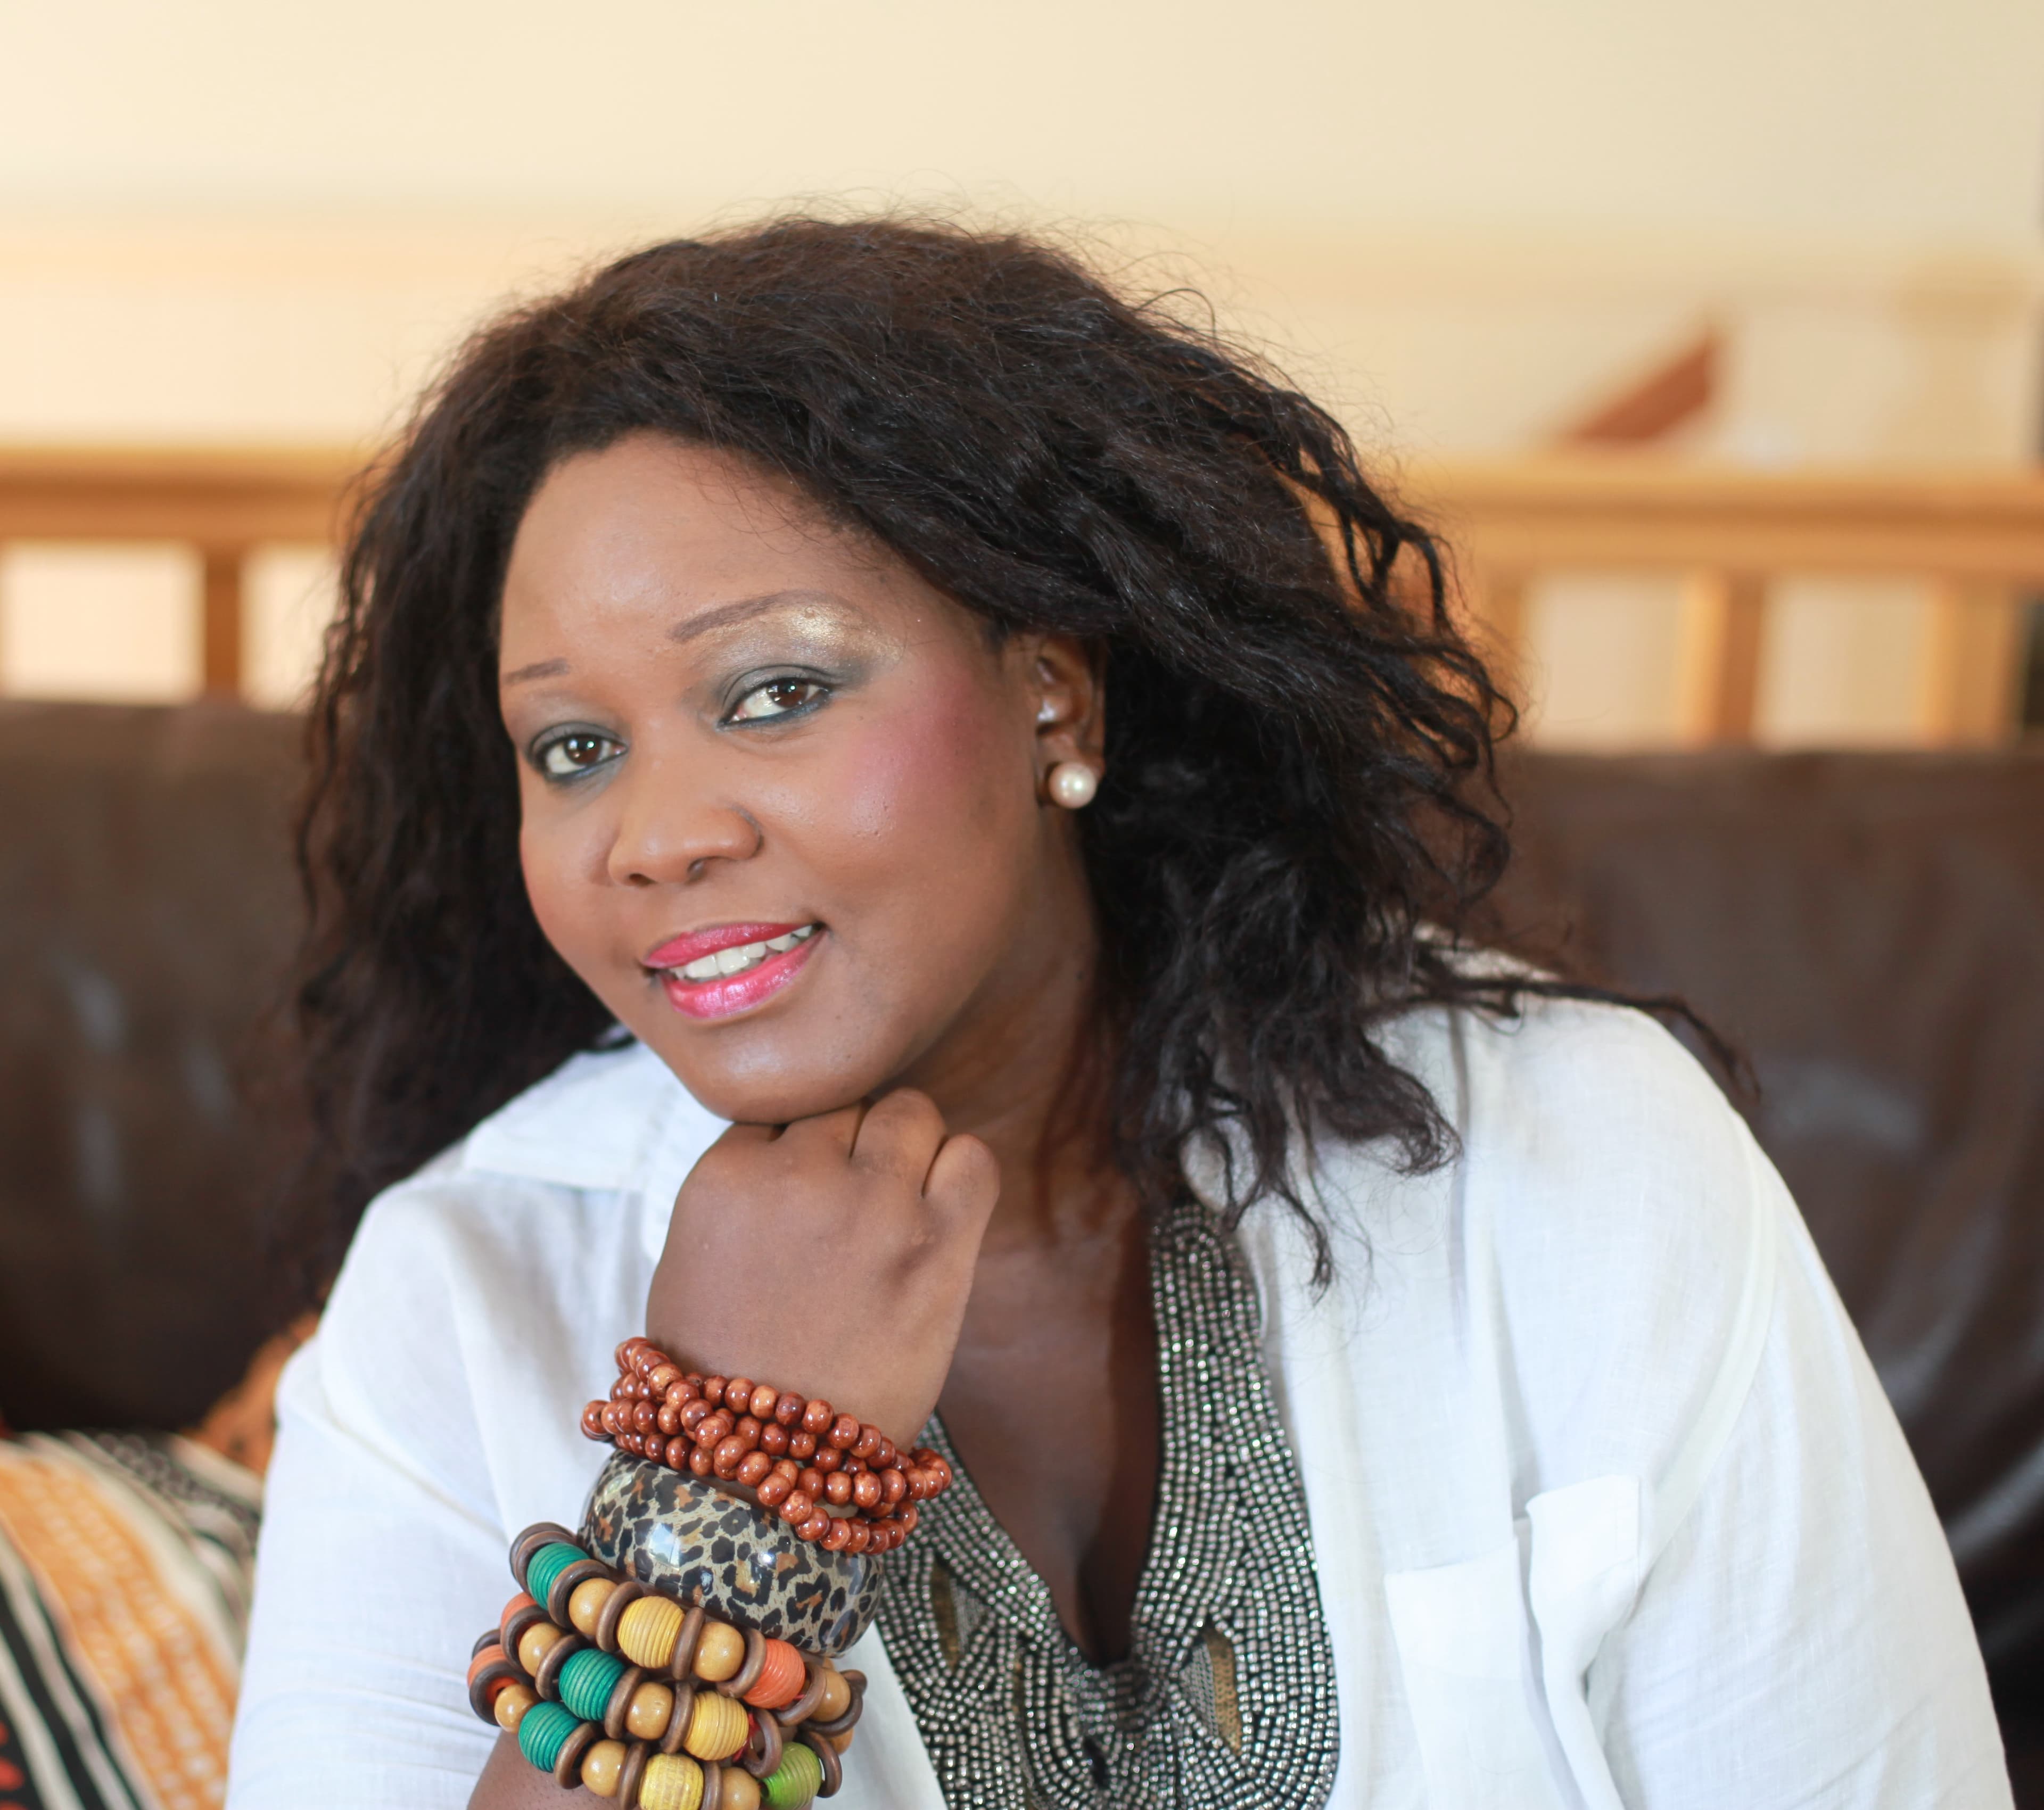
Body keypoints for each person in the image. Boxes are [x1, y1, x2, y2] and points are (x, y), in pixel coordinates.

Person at [226, 216, 2009, 1809]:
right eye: (577, 747)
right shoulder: (461, 1294)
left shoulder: (1575, 1161)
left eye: (774, 689)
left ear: (1054, 698)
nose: (658, 834)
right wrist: (729, 1484)